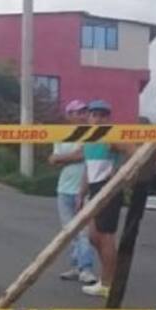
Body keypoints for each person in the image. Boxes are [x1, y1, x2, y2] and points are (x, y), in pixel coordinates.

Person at [80, 100, 134, 298]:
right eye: (95, 114)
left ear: (108, 118)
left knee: (106, 236)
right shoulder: (89, 139)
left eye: (103, 115)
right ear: (89, 117)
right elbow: (88, 168)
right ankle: (107, 278)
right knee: (94, 236)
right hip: (94, 189)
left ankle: (108, 284)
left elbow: (133, 151)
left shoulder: (111, 136)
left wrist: (120, 173)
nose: (99, 118)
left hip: (108, 188)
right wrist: (81, 193)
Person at [49, 100, 98, 284]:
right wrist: (71, 156)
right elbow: (52, 159)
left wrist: (64, 158)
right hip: (63, 189)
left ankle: (86, 268)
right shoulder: (61, 135)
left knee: (84, 231)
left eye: (84, 111)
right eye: (78, 112)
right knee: (69, 231)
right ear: (69, 115)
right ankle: (76, 266)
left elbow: (84, 155)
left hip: (84, 189)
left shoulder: (91, 133)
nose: (83, 115)